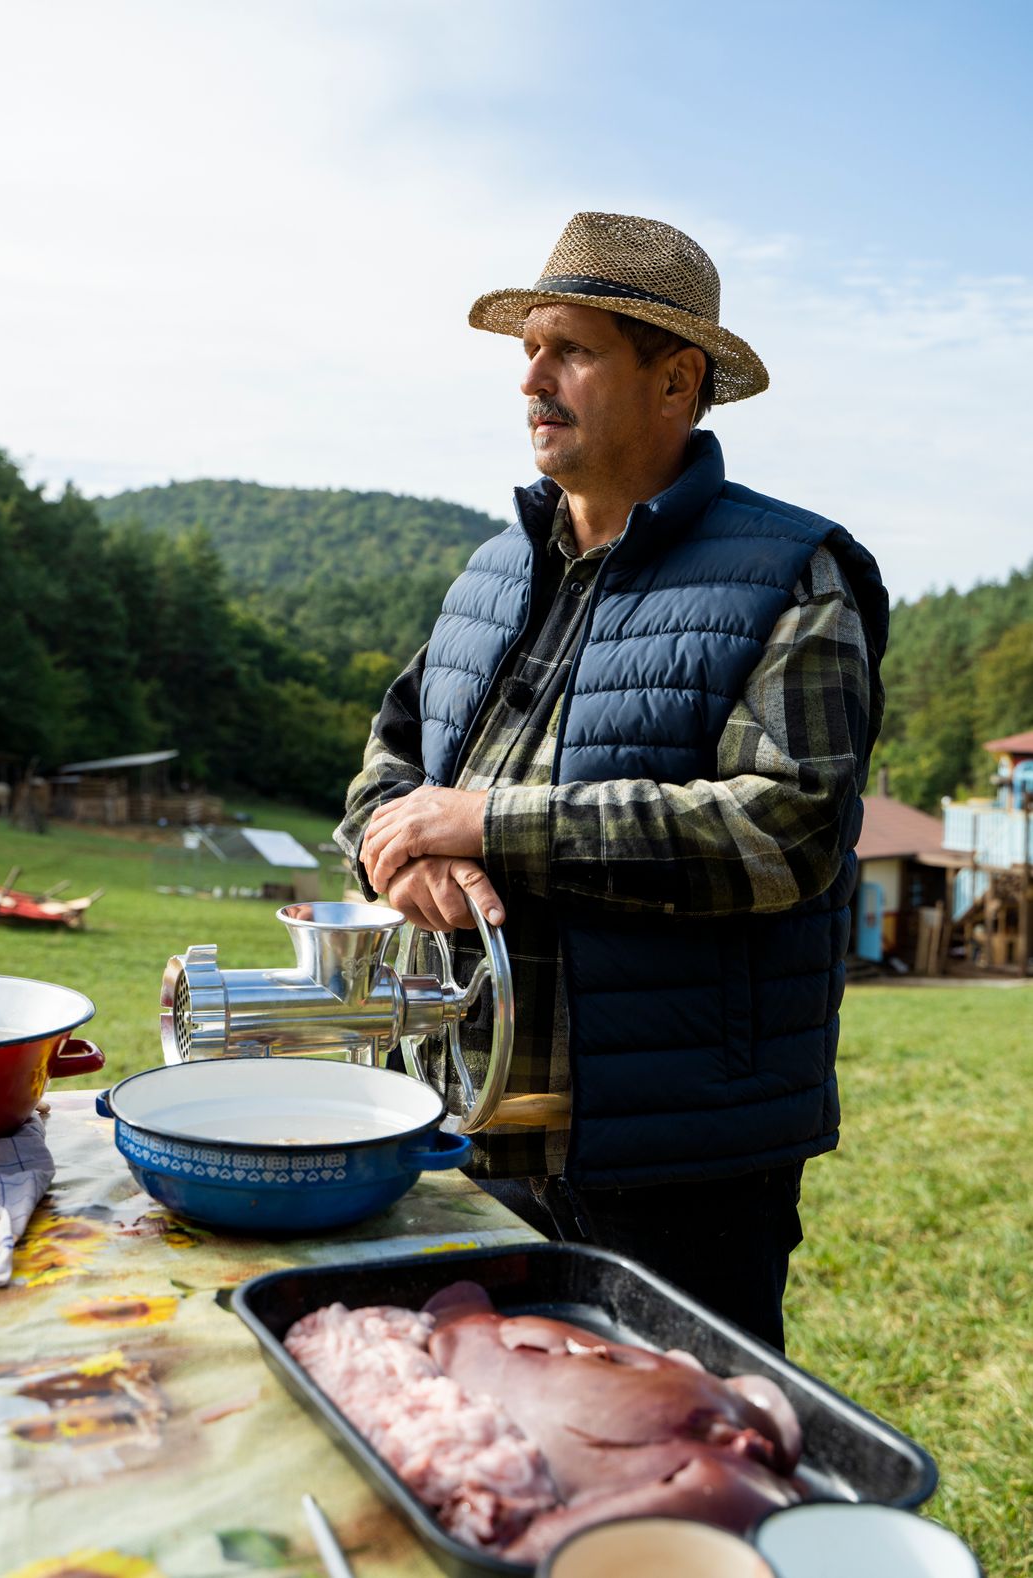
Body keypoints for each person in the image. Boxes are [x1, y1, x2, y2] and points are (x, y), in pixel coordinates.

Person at [336, 211, 888, 1351]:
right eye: (526, 351)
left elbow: (781, 833)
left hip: (671, 1156)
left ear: (675, 379)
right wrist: (398, 852)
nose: (531, 380)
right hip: (454, 1121)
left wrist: (486, 822)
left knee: (682, 1464)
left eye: (570, 351)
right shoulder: (493, 570)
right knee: (473, 1440)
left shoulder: (795, 572)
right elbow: (388, 763)